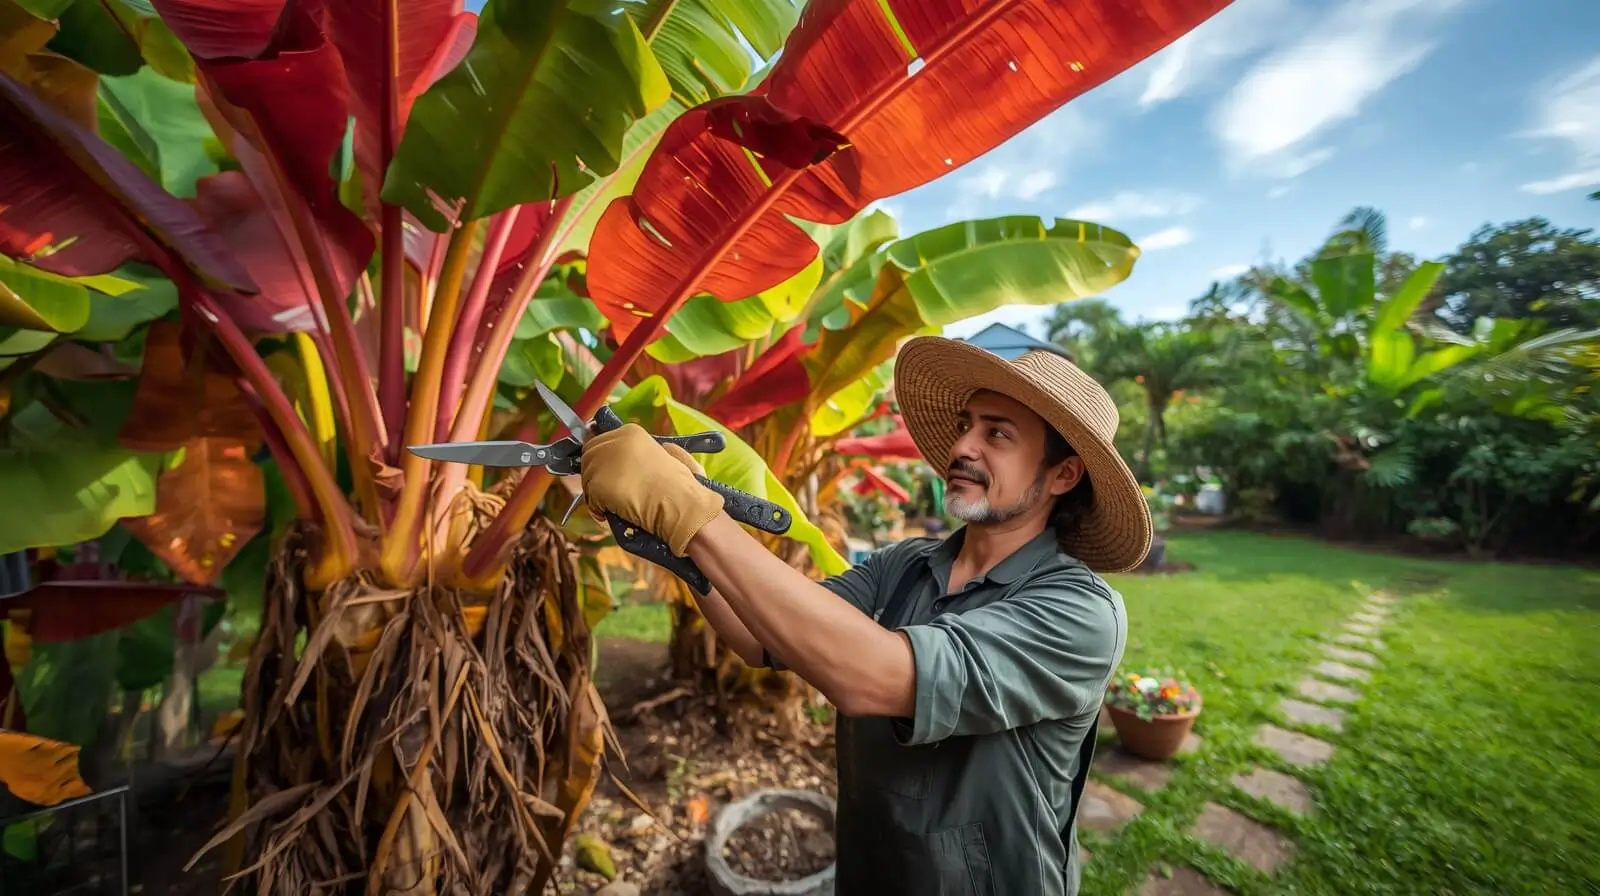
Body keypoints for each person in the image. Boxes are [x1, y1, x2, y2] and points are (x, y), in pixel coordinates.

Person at [576, 336, 1151, 895]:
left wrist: (694, 516)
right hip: (871, 867)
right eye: (965, 426)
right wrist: (679, 540)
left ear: (1063, 475)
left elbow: (874, 676)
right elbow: (764, 637)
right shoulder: (906, 564)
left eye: (997, 434)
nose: (964, 447)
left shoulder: (1079, 613)